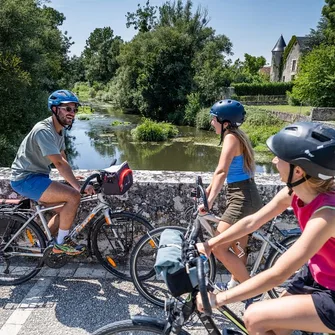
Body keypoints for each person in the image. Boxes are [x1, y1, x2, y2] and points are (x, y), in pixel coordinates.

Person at [196, 121, 335, 334]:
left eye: (280, 157)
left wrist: (218, 299)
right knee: (275, 326)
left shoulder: (326, 215)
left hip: (332, 292)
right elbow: (252, 221)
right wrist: (210, 243)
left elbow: (280, 273)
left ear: (298, 170)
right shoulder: (293, 193)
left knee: (254, 316)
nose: (274, 160)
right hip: (318, 274)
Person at [10, 89, 95, 255]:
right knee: (73, 196)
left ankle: (44, 248)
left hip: (38, 176)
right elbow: (57, 163)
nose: (72, 113)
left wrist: (72, 178)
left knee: (65, 208)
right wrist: (78, 186)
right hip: (25, 179)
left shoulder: (59, 129)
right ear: (55, 109)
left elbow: (62, 159)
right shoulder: (44, 131)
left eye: (74, 109)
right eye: (67, 108)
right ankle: (61, 244)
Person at [200, 99, 262, 290]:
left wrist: (208, 203)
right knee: (238, 249)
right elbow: (219, 174)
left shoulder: (231, 138)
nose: (211, 122)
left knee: (218, 246)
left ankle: (252, 291)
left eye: (214, 119)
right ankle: (237, 285)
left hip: (242, 199)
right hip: (247, 195)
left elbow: (221, 172)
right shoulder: (238, 135)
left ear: (225, 122)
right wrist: (208, 191)